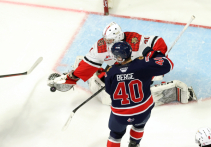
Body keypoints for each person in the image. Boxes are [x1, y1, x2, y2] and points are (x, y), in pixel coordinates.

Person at [48, 22, 196, 106]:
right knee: (112, 85)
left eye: (110, 41)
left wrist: (155, 57)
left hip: (137, 71)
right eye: (106, 40)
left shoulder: (136, 41)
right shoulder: (101, 47)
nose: (106, 43)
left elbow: (158, 42)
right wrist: (71, 78)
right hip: (117, 71)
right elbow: (88, 64)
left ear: (119, 38)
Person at [103, 41, 173, 147]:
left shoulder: (110, 71)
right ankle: (133, 145)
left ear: (117, 56)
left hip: (120, 115)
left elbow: (109, 90)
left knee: (115, 134)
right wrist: (153, 53)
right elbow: (168, 65)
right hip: (142, 111)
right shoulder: (143, 64)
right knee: (139, 124)